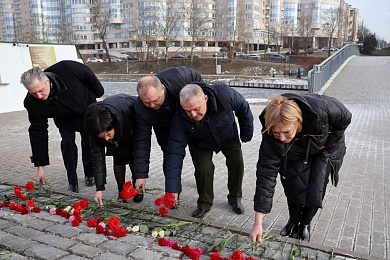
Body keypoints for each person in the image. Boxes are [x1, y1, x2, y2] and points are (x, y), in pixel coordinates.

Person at [250, 93, 352, 242]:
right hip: (295, 149)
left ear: (298, 121)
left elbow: (345, 117)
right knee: (293, 185)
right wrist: (257, 223)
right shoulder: (271, 139)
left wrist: (330, 141)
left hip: (323, 150)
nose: (282, 138)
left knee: (315, 188)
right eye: (277, 133)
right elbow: (266, 177)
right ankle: (293, 220)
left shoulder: (322, 110)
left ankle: (305, 224)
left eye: (286, 132)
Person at [164, 83, 254, 218]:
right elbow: (174, 152)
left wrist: (246, 133)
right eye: (188, 111)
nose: (193, 114)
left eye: (196, 109)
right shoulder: (180, 118)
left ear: (205, 98)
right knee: (203, 170)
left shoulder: (224, 94)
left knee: (237, 163)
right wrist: (172, 188)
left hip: (228, 135)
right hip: (201, 142)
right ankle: (204, 204)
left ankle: (235, 199)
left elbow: (243, 107)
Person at [20, 60, 104, 193]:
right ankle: (72, 181)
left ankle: (90, 174)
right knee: (68, 144)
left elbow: (88, 75)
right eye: (33, 93)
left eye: (41, 91)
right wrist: (40, 166)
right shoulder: (32, 103)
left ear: (47, 81)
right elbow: (38, 132)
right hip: (63, 118)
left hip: (85, 108)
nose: (39, 96)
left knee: (88, 142)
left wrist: (98, 93)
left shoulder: (67, 69)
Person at [133, 66, 203, 197]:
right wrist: (141, 175)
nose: (152, 105)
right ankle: (172, 193)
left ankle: (203, 192)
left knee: (198, 152)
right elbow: (142, 141)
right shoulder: (141, 108)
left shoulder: (180, 77)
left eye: (155, 100)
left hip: (189, 117)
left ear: (163, 88)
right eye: (147, 103)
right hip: (163, 124)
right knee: (169, 153)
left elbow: (201, 90)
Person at [84, 94, 143, 205]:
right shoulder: (92, 123)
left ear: (114, 125)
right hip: (117, 119)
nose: (106, 139)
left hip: (130, 122)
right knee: (118, 157)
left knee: (133, 157)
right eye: (102, 137)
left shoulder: (129, 111)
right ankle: (121, 190)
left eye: (108, 134)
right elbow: (97, 158)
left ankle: (137, 187)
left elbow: (141, 148)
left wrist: (141, 176)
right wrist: (99, 189)